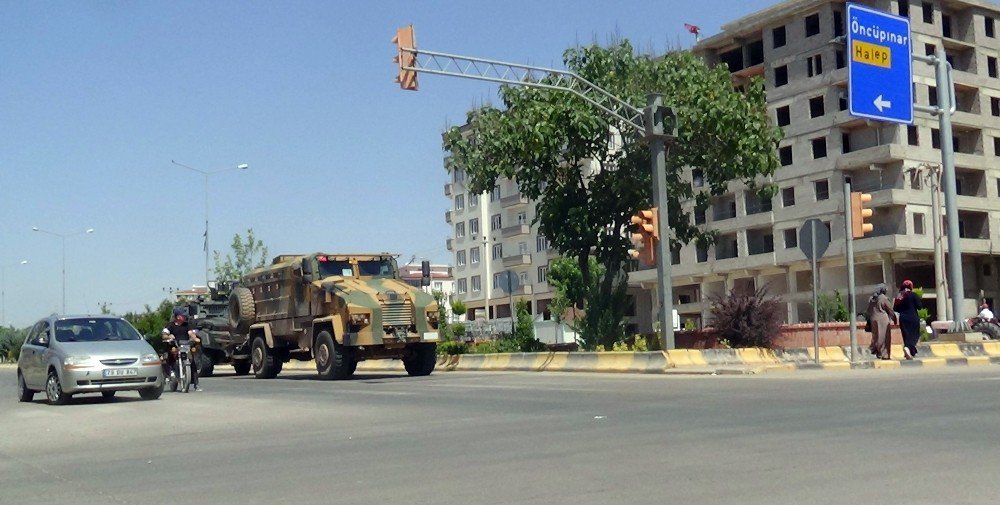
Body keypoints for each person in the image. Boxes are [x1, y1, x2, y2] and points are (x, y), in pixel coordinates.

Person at [162, 311, 202, 391]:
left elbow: (190, 333)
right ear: (178, 317)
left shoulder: (187, 325)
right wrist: (169, 336)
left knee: (192, 362)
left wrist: (195, 338)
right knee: (169, 356)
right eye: (183, 316)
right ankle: (171, 373)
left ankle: (196, 384)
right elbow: (164, 335)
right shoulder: (170, 325)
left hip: (185, 345)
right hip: (174, 345)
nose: (184, 317)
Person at [866, 285, 897, 360]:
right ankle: (884, 354)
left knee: (876, 336)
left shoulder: (872, 299)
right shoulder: (884, 298)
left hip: (873, 319)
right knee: (884, 337)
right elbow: (889, 309)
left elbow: (868, 310)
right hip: (883, 319)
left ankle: (876, 351)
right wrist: (894, 318)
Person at [894, 280, 921, 360]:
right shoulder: (914, 295)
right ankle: (907, 348)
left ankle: (910, 352)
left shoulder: (900, 296)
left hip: (903, 318)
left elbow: (895, 308)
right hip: (913, 317)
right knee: (914, 334)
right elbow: (919, 306)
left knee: (906, 334)